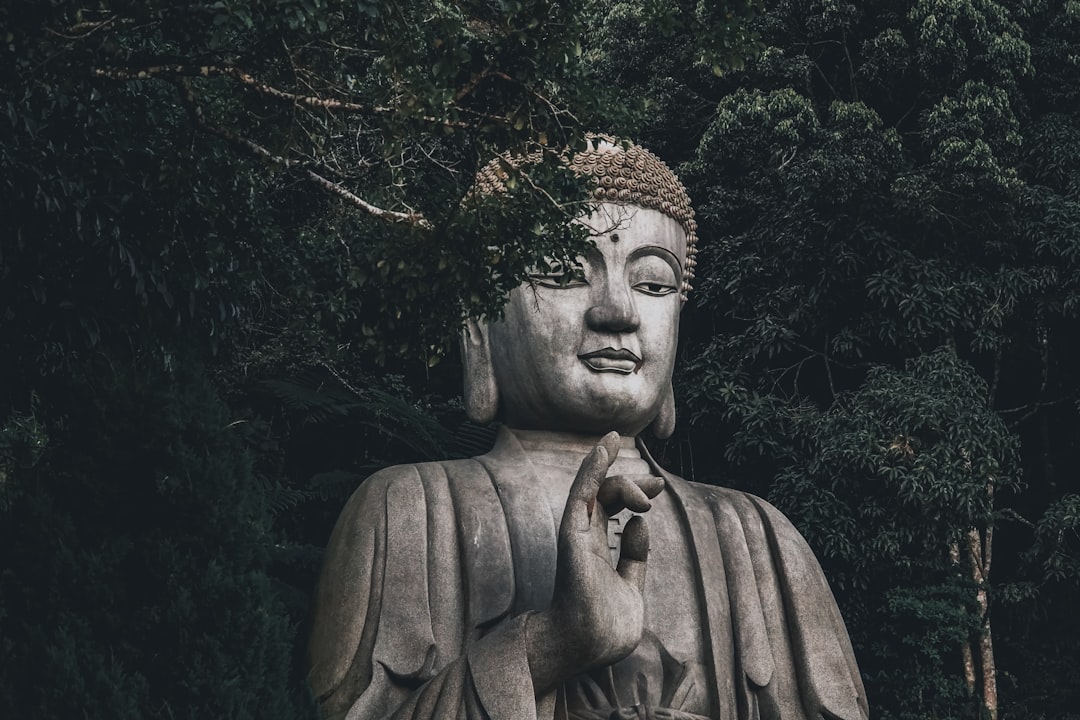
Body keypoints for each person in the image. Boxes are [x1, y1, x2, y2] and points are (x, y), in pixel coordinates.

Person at [307, 138, 868, 720]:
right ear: (478, 323)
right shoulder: (408, 513)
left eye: (653, 284)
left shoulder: (759, 542)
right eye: (563, 272)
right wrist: (555, 643)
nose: (618, 312)